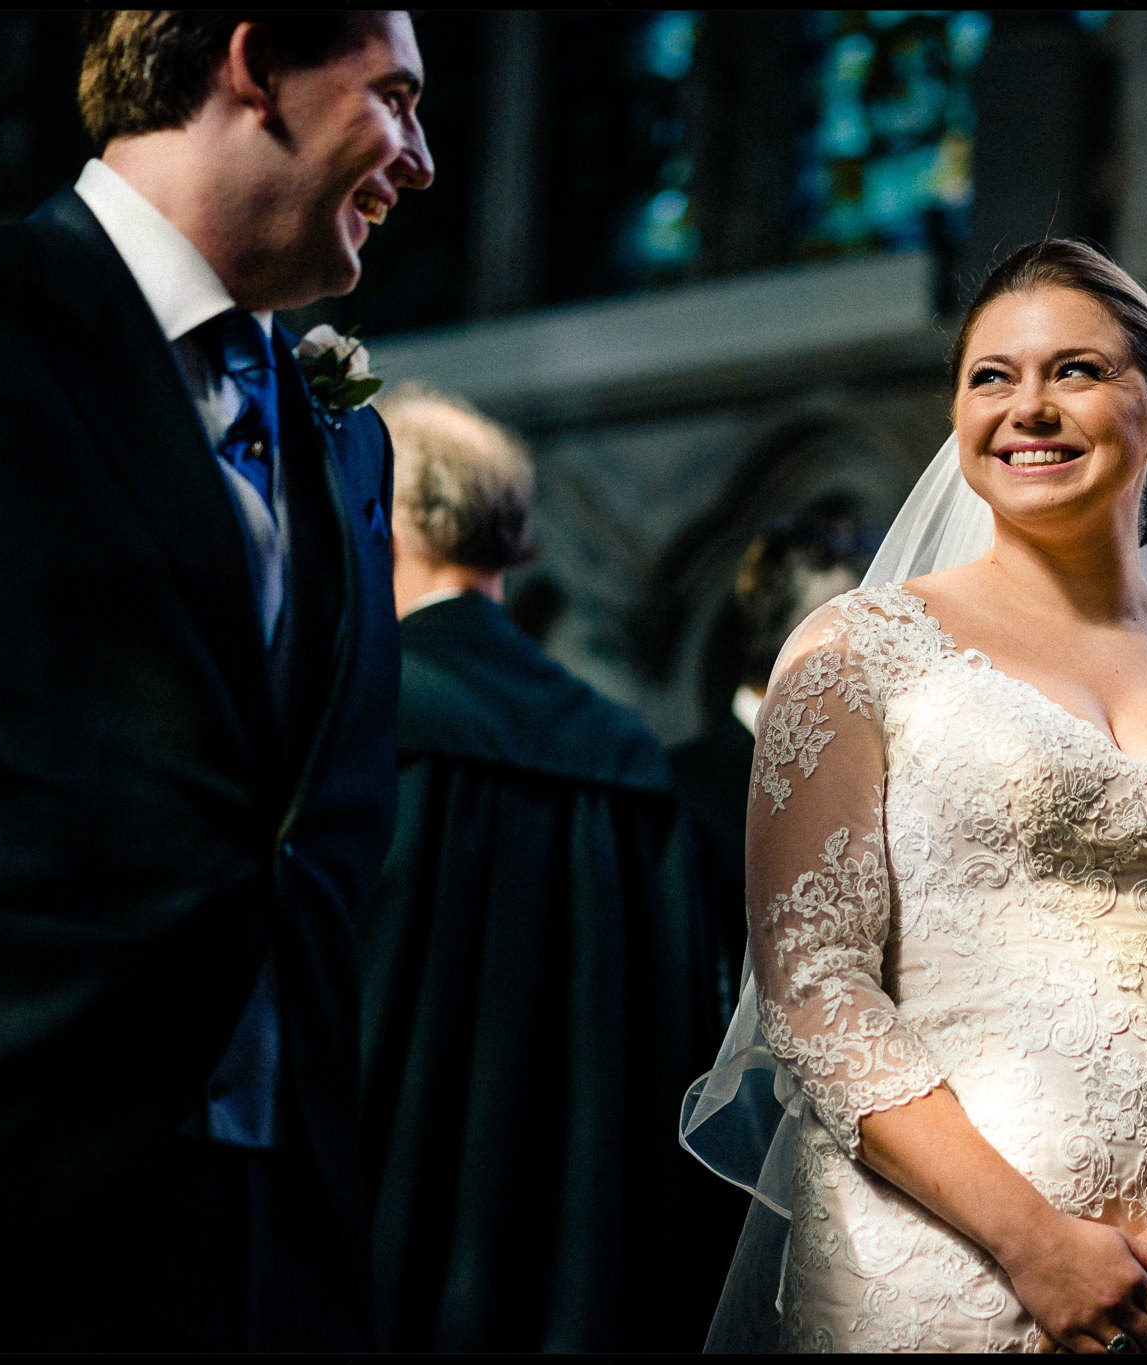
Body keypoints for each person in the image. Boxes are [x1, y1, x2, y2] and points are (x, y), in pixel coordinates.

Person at [0, 12, 432, 1350]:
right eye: (396, 98)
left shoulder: (345, 453)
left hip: (251, 1245)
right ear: (255, 64)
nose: (420, 159)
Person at [683, 240, 1147, 1352]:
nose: (1028, 410)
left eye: (1077, 372)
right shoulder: (858, 653)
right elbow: (816, 989)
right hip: (928, 1268)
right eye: (990, 377)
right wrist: (1036, 1246)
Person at [360, 386, 734, 1351]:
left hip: (385, 1195)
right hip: (578, 1235)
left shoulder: (370, 711)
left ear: (384, 516)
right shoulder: (620, 749)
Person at [669, 516, 879, 983]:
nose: (874, 657)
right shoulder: (682, 787)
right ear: (793, 644)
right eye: (853, 636)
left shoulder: (875, 774)